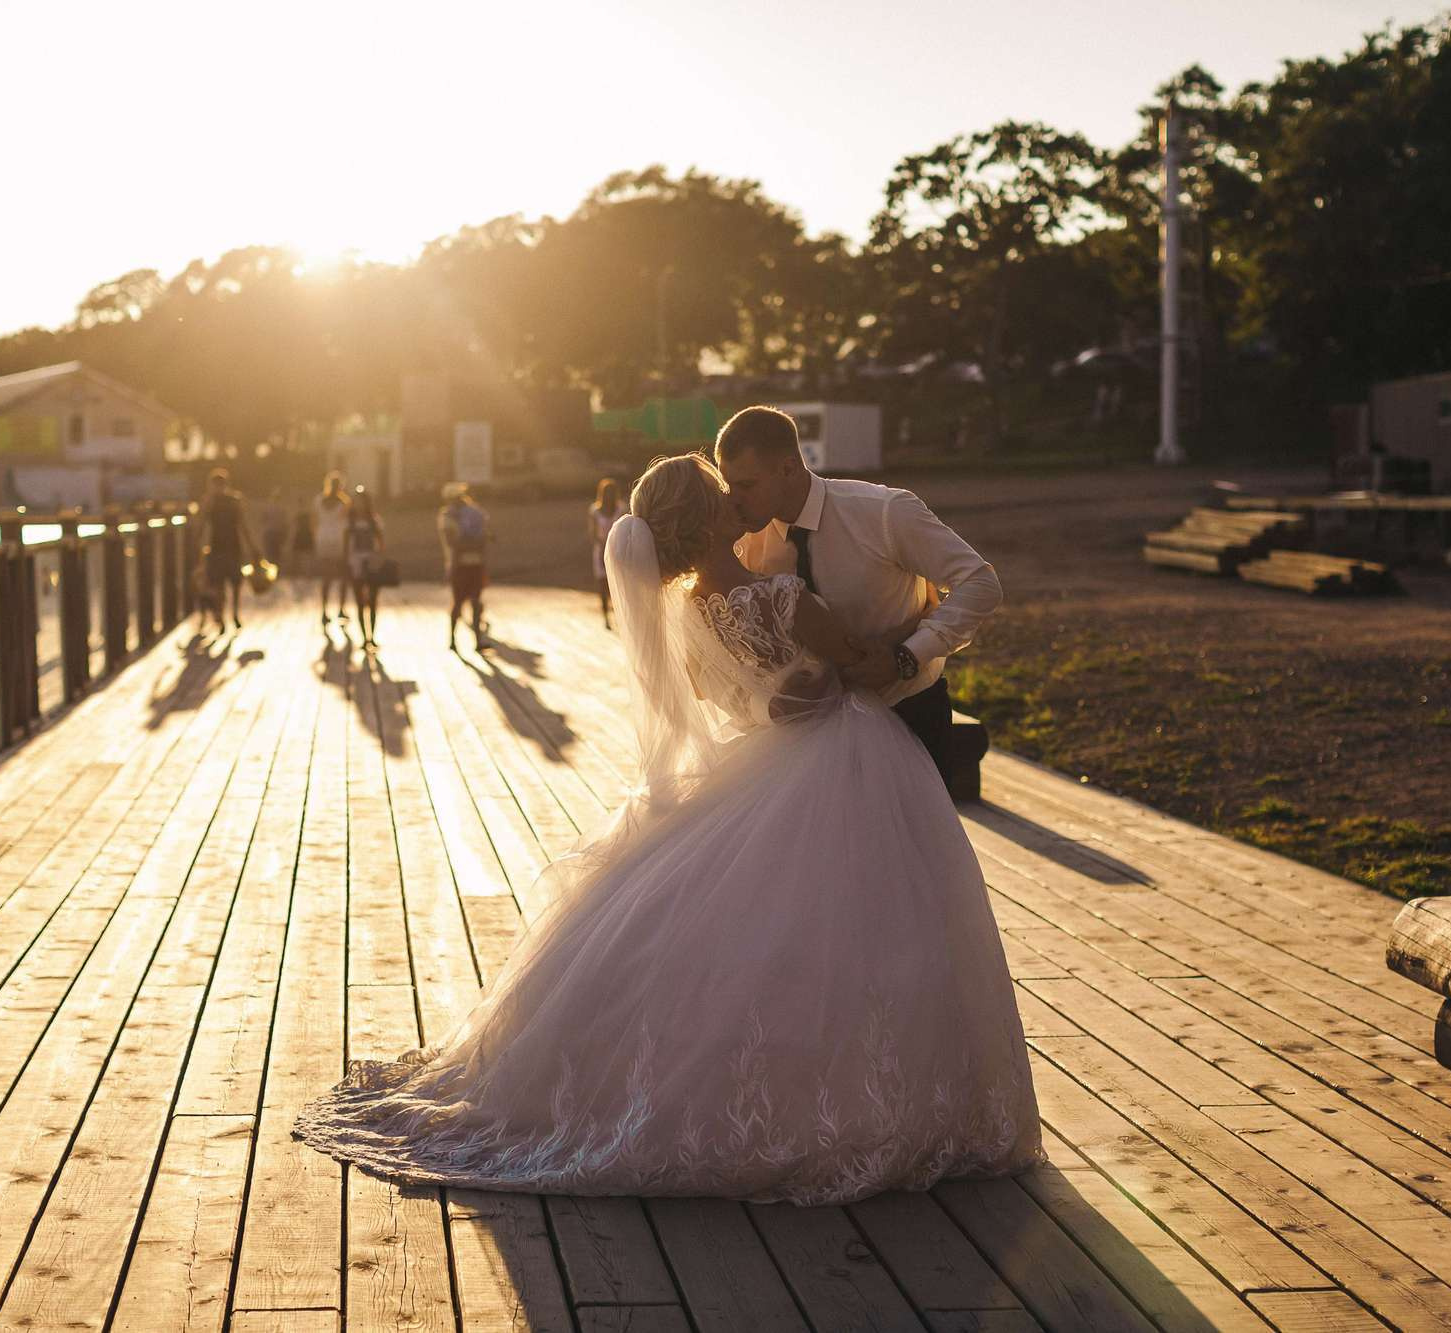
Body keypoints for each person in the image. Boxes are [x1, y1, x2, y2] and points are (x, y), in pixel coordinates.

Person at [294, 452, 1039, 1203]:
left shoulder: (685, 613)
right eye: (723, 492)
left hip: (766, 760)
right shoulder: (783, 595)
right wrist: (908, 629)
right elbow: (861, 664)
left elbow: (739, 698)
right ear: (706, 515)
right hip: (849, 755)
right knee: (876, 926)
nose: (735, 497)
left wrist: (782, 699)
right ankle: (872, 1096)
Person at [718, 405, 1001, 784]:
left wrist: (907, 656)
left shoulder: (883, 512)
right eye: (728, 486)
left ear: (787, 467)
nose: (733, 500)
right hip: (805, 737)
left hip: (908, 712)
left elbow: (980, 583)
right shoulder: (742, 540)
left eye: (747, 485)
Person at [195, 468, 256, 630]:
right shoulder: (215, 502)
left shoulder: (229, 501)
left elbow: (242, 525)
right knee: (221, 584)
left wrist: (251, 546)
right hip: (220, 547)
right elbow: (202, 524)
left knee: (232, 584)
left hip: (228, 546)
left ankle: (231, 614)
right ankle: (223, 616)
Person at [438, 482, 490, 652]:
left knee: (475, 602)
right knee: (458, 603)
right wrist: (473, 543)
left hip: (475, 564)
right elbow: (453, 543)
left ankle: (478, 640)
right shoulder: (447, 518)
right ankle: (452, 638)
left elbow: (482, 540)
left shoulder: (475, 515)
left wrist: (470, 543)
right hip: (458, 566)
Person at [344, 487, 386, 650]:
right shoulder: (350, 522)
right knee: (360, 601)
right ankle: (364, 636)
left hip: (371, 560)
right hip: (355, 561)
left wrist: (379, 558)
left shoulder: (374, 521)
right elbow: (346, 544)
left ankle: (372, 635)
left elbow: (381, 544)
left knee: (373, 601)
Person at [586, 477, 627, 628]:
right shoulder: (595, 511)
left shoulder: (621, 509)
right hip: (601, 549)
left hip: (617, 549)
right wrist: (603, 544)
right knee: (603, 584)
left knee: (618, 584)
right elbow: (593, 533)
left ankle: (620, 615)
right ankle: (606, 617)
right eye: (607, 493)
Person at [312, 473, 351, 627]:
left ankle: (324, 610)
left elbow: (314, 522)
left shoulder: (318, 501)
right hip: (339, 539)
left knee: (326, 577)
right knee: (343, 576)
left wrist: (317, 537)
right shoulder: (345, 502)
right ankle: (341, 608)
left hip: (323, 539)